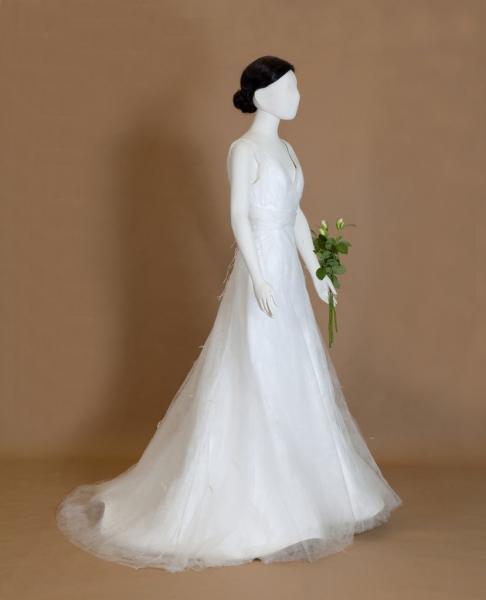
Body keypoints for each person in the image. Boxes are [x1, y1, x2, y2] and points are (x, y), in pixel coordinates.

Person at [55, 55, 402, 572]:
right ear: (261, 95)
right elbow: (238, 213)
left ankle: (315, 496)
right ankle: (259, 509)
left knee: (295, 368)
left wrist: (316, 271)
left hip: (286, 272)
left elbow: (296, 215)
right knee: (257, 366)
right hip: (262, 271)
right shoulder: (244, 150)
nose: (297, 97)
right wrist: (258, 274)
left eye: (297, 88)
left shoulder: (287, 150)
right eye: (288, 89)